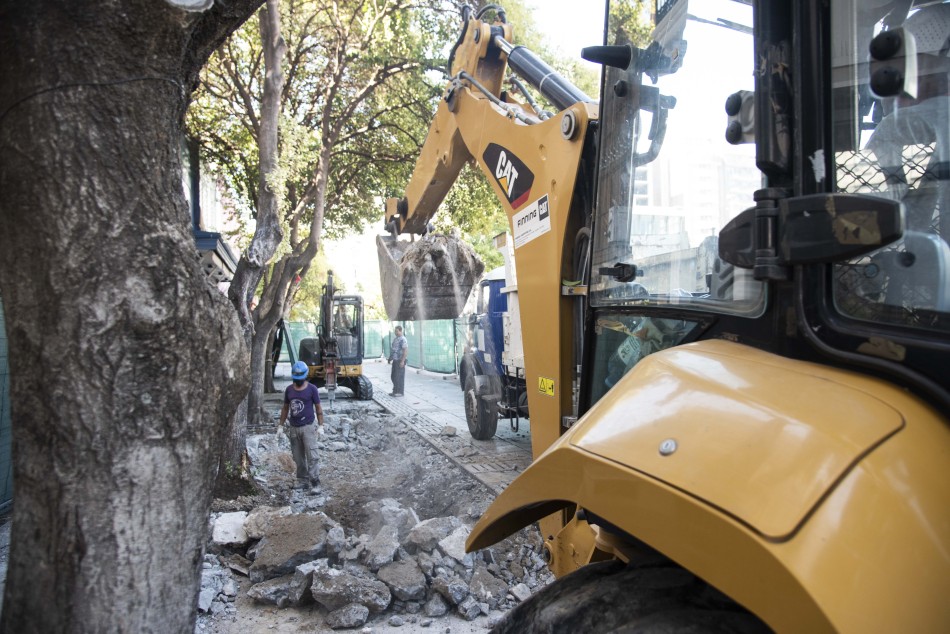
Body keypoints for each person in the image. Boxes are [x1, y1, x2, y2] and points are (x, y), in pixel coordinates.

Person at [278, 361, 324, 493]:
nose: (298, 381)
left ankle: (315, 482)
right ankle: (303, 480)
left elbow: (318, 408)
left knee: (312, 455)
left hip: (308, 426)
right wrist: (280, 425)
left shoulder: (312, 389)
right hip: (294, 427)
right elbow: (286, 408)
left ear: (305, 376)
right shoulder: (289, 390)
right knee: (298, 456)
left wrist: (321, 425)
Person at [388, 325, 408, 397]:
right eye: (395, 331)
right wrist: (390, 358)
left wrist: (402, 361)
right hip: (395, 360)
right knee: (393, 376)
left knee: (399, 376)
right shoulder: (396, 339)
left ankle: (400, 392)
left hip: (400, 360)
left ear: (400, 330)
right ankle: (395, 390)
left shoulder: (403, 339)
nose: (395, 333)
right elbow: (393, 349)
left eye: (397, 331)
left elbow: (405, 351)